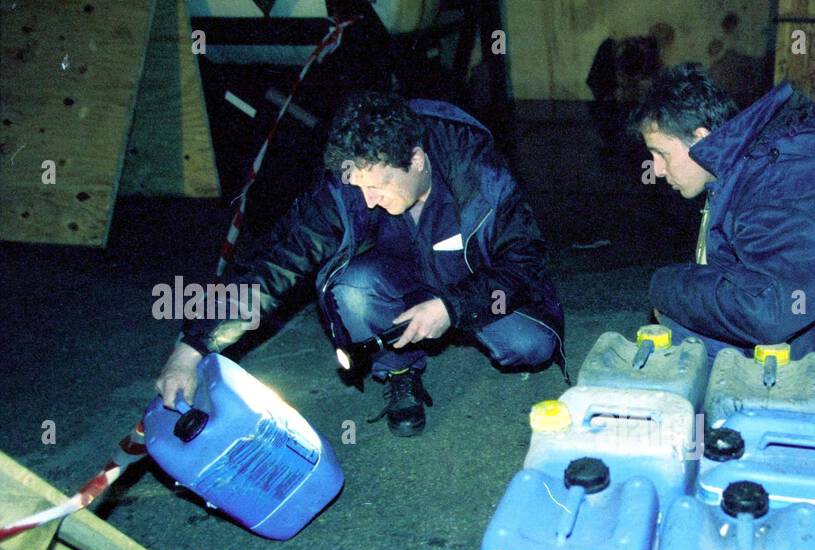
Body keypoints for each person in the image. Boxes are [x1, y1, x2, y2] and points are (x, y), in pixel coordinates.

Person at [155, 92, 565, 437]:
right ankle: (398, 371)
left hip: (472, 287)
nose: (369, 200)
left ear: (417, 160)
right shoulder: (347, 183)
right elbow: (273, 264)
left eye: (381, 185)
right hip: (395, 280)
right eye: (360, 187)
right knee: (350, 288)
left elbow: (524, 264)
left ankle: (457, 320)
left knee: (531, 344)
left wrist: (451, 307)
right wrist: (192, 348)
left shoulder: (480, 173)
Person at [630, 63, 815, 369]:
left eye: (662, 154)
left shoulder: (771, 185)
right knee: (694, 307)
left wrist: (664, 285)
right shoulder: (757, 160)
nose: (656, 170)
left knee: (682, 329)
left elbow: (772, 311)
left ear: (699, 138)